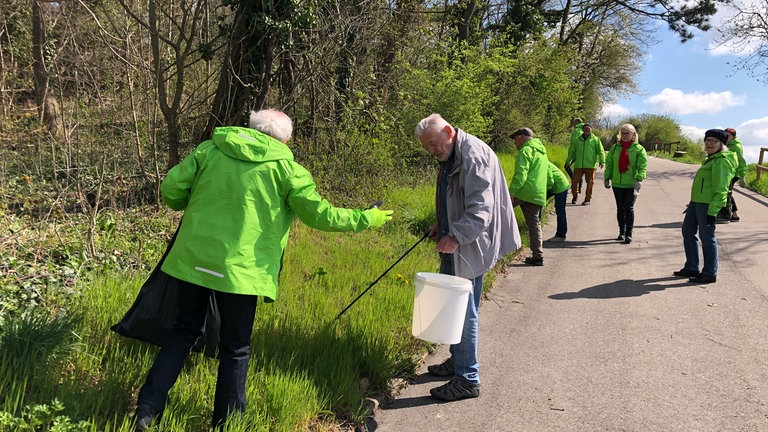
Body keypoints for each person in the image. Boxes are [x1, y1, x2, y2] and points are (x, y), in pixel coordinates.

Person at [133, 109, 393, 431]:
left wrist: (189, 202)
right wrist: (366, 218)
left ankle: (147, 410)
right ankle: (228, 424)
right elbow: (320, 215)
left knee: (182, 333)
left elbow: (171, 189)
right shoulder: (288, 170)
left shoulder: (210, 150)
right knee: (235, 347)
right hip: (242, 274)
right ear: (286, 139)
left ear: (250, 128)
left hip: (192, 263)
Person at [415, 113, 520, 401]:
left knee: (464, 311)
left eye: (434, 144)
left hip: (471, 244)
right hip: (460, 240)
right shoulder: (452, 151)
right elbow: (454, 196)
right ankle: (457, 360)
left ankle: (467, 378)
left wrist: (455, 235)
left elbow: (480, 211)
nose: (432, 150)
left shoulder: (472, 154)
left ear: (449, 132)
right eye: (427, 147)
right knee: (454, 305)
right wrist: (442, 224)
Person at [673, 129, 735, 284]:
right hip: (696, 203)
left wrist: (713, 211)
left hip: (708, 205)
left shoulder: (722, 161)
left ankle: (709, 273)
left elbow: (721, 189)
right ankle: (692, 266)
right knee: (687, 231)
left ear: (722, 144)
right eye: (707, 140)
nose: (709, 143)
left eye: (714, 141)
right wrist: (693, 203)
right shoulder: (711, 159)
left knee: (707, 237)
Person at [508, 127, 548, 265]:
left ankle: (493, 250)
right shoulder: (542, 151)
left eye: (515, 139)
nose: (514, 143)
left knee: (497, 212)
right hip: (538, 192)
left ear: (520, 137)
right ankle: (538, 256)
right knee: (534, 224)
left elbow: (521, 174)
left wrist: (511, 192)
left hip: (524, 190)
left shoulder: (525, 150)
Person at [603, 123, 648, 244]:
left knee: (628, 208)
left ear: (633, 134)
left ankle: (629, 233)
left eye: (627, 133)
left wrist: (639, 179)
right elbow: (610, 164)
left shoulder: (639, 149)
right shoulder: (614, 148)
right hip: (617, 183)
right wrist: (607, 178)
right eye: (622, 133)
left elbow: (642, 166)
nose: (624, 135)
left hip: (631, 184)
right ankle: (621, 232)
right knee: (620, 208)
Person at [565, 123, 605, 205]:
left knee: (590, 182)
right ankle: (575, 196)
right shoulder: (577, 140)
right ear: (583, 130)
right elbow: (572, 152)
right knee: (574, 181)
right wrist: (568, 162)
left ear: (591, 130)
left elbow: (600, 151)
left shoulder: (596, 140)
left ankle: (587, 199)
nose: (587, 130)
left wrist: (602, 161)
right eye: (586, 129)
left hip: (590, 165)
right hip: (579, 165)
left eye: (589, 129)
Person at [722, 127, 748, 222]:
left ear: (733, 136)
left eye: (728, 135)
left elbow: (741, 161)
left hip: (734, 173)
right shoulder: (725, 144)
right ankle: (733, 214)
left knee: (726, 191)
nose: (726, 137)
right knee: (726, 191)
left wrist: (742, 176)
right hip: (726, 172)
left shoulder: (736, 146)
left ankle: (733, 213)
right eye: (725, 135)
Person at [545, 161, 571, 242]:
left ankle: (561, 235)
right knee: (538, 202)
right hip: (556, 185)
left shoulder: (543, 164)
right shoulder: (540, 160)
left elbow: (550, 181)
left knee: (560, 210)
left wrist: (544, 191)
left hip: (560, 186)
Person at [565, 117, 584, 194]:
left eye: (574, 122)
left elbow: (574, 143)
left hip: (575, 153)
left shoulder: (576, 131)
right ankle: (579, 187)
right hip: (581, 153)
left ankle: (575, 181)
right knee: (579, 170)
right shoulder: (584, 130)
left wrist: (572, 154)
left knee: (566, 166)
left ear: (576, 123)